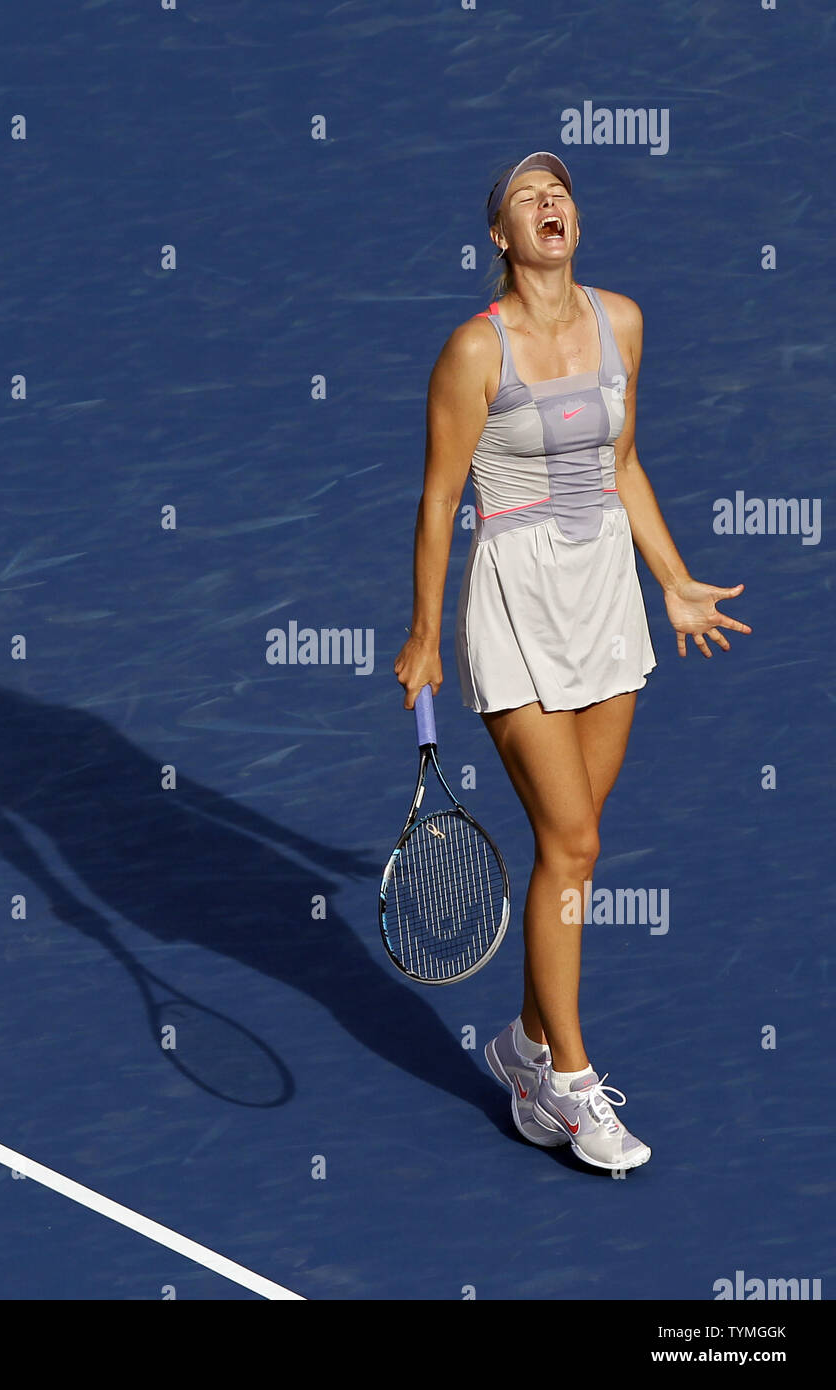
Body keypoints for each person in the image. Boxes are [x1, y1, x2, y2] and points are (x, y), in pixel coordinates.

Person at [393, 151, 751, 1171]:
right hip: (514, 605)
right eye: (526, 198)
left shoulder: (622, 322)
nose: (551, 203)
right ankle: (572, 1089)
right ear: (501, 238)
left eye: (561, 193)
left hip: (606, 600)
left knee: (572, 851)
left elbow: (623, 462)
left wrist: (673, 578)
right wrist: (424, 630)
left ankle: (523, 1042)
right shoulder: (475, 352)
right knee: (577, 839)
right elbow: (436, 500)